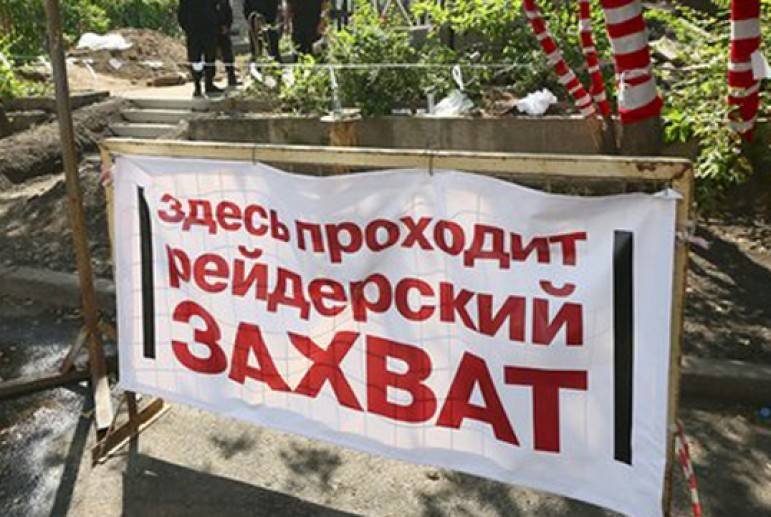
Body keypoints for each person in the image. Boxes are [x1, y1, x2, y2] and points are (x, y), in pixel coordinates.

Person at [178, 0, 223, 97]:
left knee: (210, 57)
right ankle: (197, 85)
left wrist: (218, 24)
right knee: (195, 59)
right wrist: (187, 27)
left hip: (208, 28)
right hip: (194, 30)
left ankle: (209, 83)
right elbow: (182, 12)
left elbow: (217, 7)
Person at [215, 0, 239, 87]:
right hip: (211, 30)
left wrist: (227, 26)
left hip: (224, 29)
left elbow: (228, 12)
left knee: (228, 54)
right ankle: (208, 82)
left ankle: (232, 77)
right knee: (209, 55)